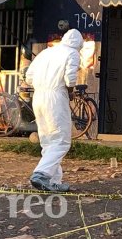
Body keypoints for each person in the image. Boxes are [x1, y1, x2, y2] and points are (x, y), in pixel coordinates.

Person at [26, 29, 84, 192]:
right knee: (61, 140)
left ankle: (53, 181)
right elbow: (70, 78)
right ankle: (41, 174)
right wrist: (71, 91)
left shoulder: (46, 52)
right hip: (56, 96)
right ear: (78, 44)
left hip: (38, 97)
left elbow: (29, 76)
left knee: (48, 140)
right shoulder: (72, 53)